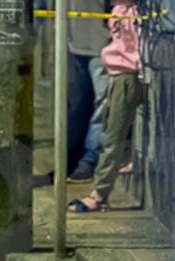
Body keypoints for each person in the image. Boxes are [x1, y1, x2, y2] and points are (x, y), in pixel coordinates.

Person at [68, 0, 142, 212]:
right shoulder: (119, 11)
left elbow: (139, 49)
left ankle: (100, 194)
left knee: (113, 138)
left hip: (127, 75)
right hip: (118, 74)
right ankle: (102, 189)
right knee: (111, 130)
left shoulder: (132, 15)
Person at [65, 0, 111, 182]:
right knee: (78, 104)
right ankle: (72, 160)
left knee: (103, 103)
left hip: (105, 42)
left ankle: (90, 157)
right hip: (76, 40)